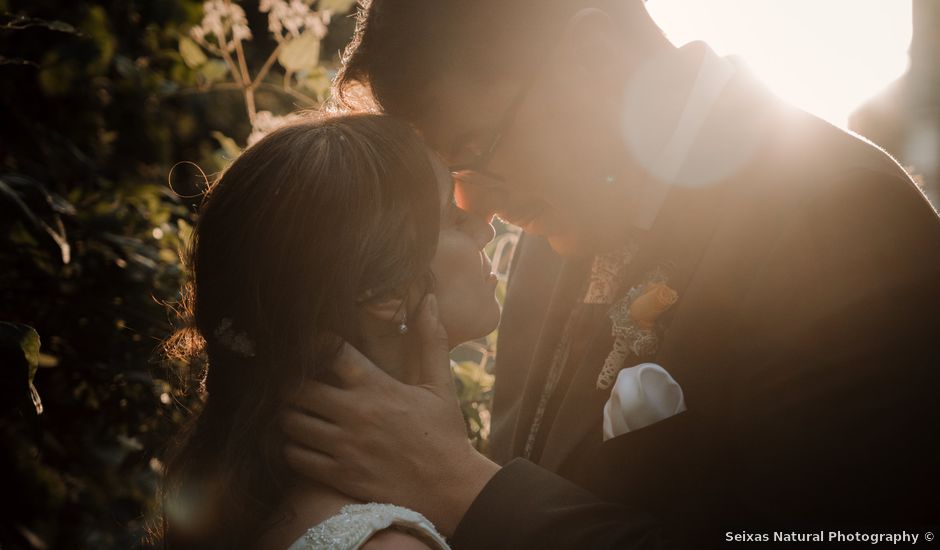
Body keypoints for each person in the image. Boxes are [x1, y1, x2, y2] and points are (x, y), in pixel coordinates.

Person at [280, 1, 940, 548]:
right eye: (453, 170)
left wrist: (464, 491)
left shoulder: (843, 217)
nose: (469, 203)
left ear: (593, 55)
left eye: (477, 147)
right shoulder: (549, 240)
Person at [160, 114, 500, 549]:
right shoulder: (387, 546)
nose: (486, 230)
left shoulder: (266, 494)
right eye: (453, 219)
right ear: (385, 294)